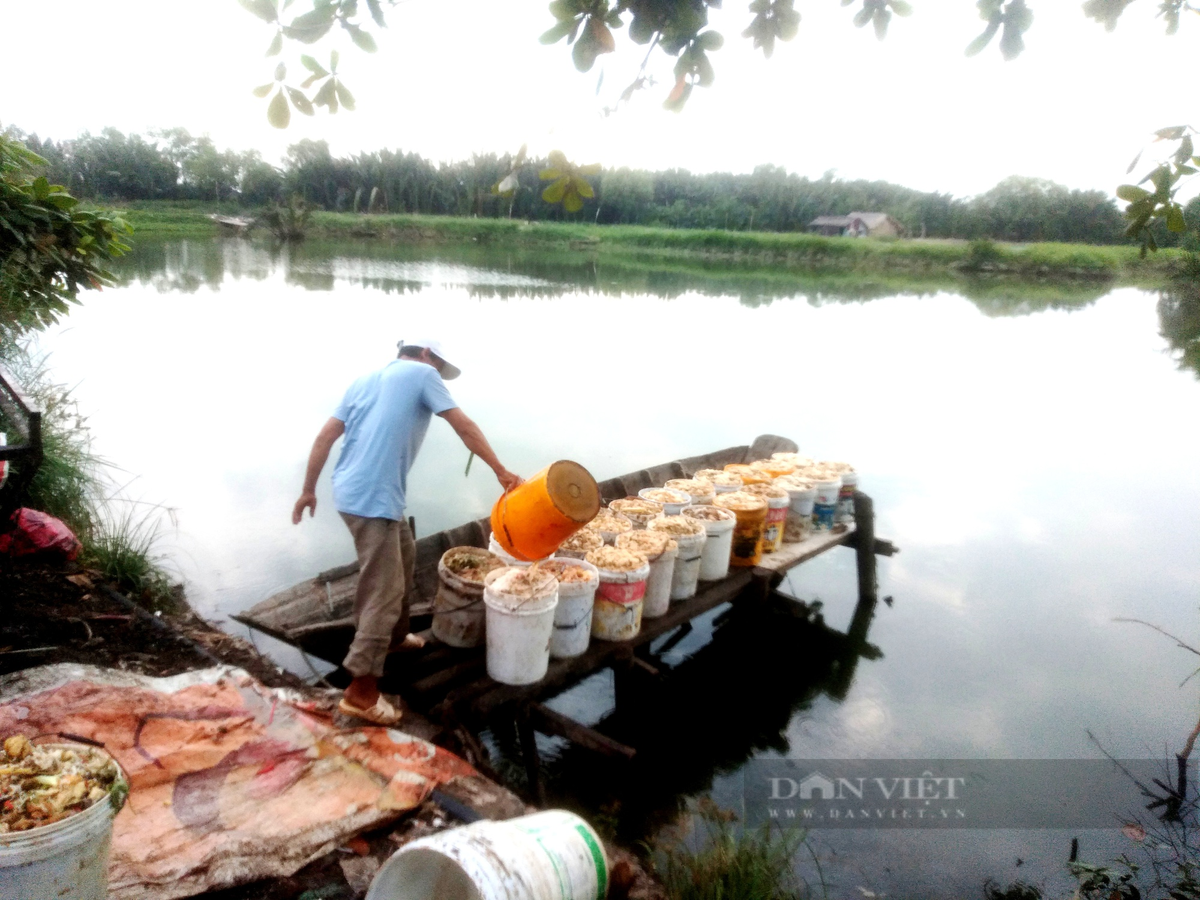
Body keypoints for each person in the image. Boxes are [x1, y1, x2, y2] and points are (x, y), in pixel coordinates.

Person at [292, 338, 521, 725]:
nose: (439, 374)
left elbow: (325, 437)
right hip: (373, 499)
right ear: (427, 355)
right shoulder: (423, 373)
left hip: (354, 491)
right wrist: (501, 471)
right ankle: (362, 691)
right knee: (384, 590)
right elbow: (463, 425)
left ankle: (395, 640)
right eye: (439, 366)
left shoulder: (366, 379)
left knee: (405, 556)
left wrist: (309, 489)